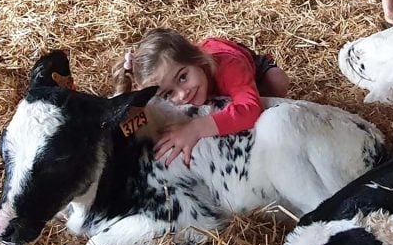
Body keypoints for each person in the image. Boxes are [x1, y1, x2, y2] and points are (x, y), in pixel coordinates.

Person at [112, 28, 289, 166]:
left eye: (183, 77)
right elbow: (133, 117)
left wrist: (195, 128)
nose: (183, 94)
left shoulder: (229, 68)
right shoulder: (176, 79)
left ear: (197, 60)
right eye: (168, 93)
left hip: (250, 71)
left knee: (277, 82)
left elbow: (250, 109)